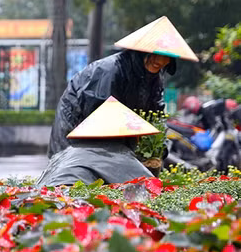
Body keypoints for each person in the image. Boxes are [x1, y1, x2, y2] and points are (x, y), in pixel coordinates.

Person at [48, 16, 198, 158]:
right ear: (141, 52)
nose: (157, 61)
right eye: (153, 56)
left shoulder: (154, 80)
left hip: (111, 136)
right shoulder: (110, 71)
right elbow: (100, 120)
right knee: (73, 172)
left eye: (163, 61)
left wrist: (158, 148)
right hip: (76, 127)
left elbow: (155, 117)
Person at [37, 96, 161, 187]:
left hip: (42, 197)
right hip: (69, 200)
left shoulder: (67, 152)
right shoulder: (119, 155)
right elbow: (152, 185)